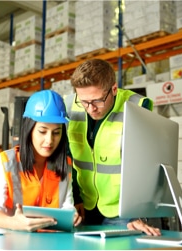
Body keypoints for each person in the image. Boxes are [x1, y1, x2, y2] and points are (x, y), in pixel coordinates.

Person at [65, 58, 160, 236]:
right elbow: (68, 157)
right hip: (83, 206)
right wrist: (75, 197)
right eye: (84, 101)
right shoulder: (70, 106)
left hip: (123, 212)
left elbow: (146, 167)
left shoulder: (136, 107)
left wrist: (136, 212)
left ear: (114, 89)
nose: (90, 108)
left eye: (97, 101)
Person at [0, 90, 81, 231]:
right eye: (42, 131)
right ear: (29, 130)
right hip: (1, 238)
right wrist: (15, 223)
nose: (49, 140)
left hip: (41, 240)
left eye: (56, 132)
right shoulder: (7, 162)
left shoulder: (65, 165)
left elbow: (66, 205)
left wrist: (72, 215)